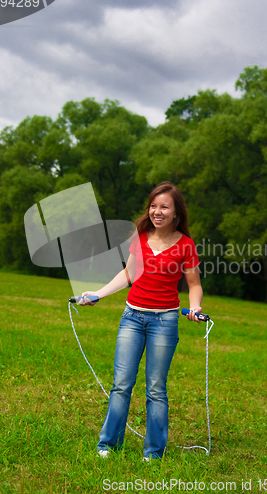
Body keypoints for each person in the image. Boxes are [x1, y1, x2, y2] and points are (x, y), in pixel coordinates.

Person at [79, 181, 203, 460]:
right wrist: (97, 294)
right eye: (153, 206)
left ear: (176, 214)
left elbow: (194, 284)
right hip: (131, 318)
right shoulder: (141, 236)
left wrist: (195, 307)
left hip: (165, 322)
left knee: (156, 388)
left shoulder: (186, 245)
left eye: (164, 207)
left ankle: (154, 452)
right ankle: (107, 445)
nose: (157, 212)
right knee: (121, 383)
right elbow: (128, 275)